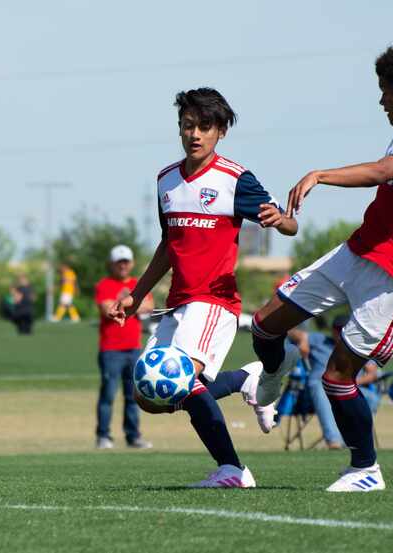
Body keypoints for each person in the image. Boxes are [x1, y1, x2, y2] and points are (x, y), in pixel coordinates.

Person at [248, 44, 393, 492]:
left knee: (337, 376)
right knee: (264, 324)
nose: (380, 101)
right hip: (359, 250)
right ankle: (276, 370)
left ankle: (365, 469)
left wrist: (319, 174)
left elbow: (379, 172)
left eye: (384, 92)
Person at [108, 88, 298, 488]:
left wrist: (279, 221)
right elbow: (168, 245)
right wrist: (137, 295)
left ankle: (232, 469)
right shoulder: (166, 181)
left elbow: (290, 224)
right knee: (148, 395)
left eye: (204, 127)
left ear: (221, 132)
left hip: (214, 301)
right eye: (187, 125)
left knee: (183, 383)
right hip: (177, 303)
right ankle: (247, 379)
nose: (195, 134)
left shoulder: (235, 180)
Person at [94, 245, 154, 450]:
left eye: (126, 261)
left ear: (132, 263)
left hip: (134, 348)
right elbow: (106, 310)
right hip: (110, 350)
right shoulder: (104, 284)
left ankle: (133, 436)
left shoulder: (138, 283)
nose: (123, 265)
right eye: (119, 262)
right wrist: (129, 301)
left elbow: (149, 306)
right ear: (111, 264)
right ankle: (103, 436)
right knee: (108, 395)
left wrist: (122, 302)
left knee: (133, 396)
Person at [288, 315, 380, 449]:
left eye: (344, 329)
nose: (340, 333)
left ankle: (356, 441)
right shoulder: (321, 340)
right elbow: (289, 331)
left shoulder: (359, 348)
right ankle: (334, 440)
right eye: (338, 329)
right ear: (333, 330)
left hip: (347, 389)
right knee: (317, 385)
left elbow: (372, 374)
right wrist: (302, 340)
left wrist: (353, 382)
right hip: (319, 389)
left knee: (372, 398)